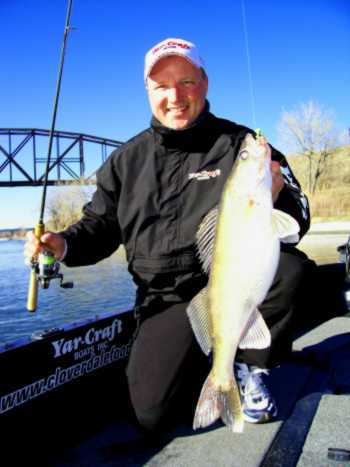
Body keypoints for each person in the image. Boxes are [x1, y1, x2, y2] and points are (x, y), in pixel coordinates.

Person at [25, 38, 312, 434]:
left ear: (204, 83)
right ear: (148, 91)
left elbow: (300, 217)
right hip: (166, 298)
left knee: (292, 269)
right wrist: (64, 244)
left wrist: (276, 199)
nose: (175, 96)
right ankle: (206, 361)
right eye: (162, 86)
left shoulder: (242, 145)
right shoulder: (125, 161)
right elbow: (100, 227)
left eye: (186, 82)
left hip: (231, 283)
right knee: (151, 413)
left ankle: (251, 367)